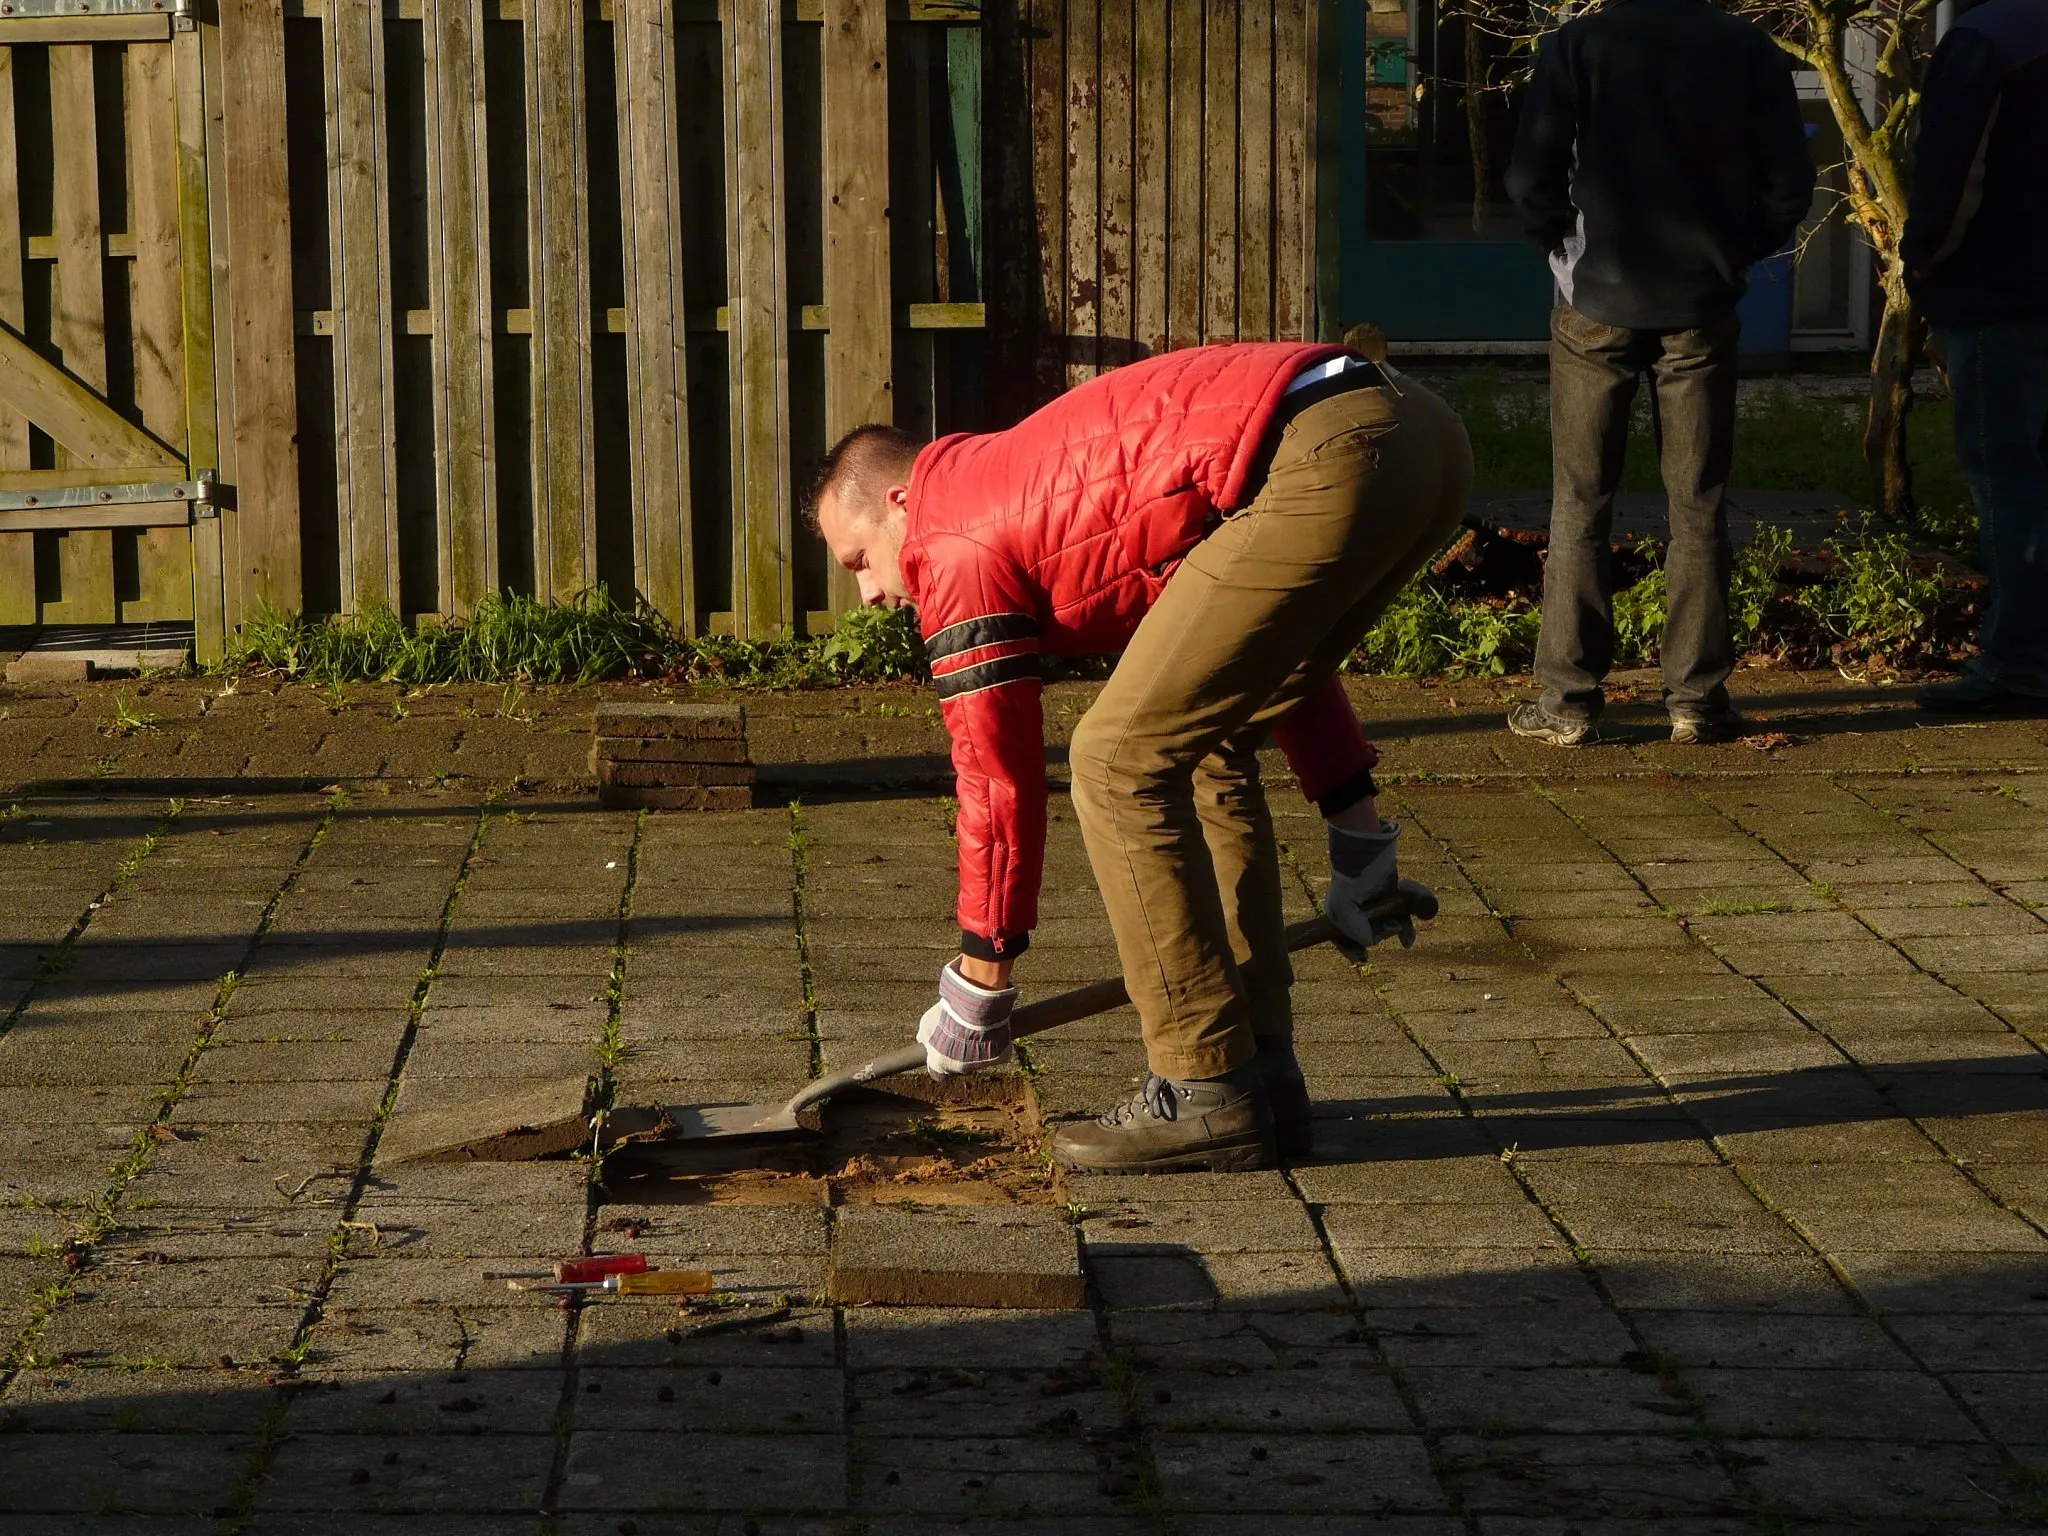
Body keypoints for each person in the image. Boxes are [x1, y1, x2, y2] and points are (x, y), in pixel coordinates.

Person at [807, 344, 1470, 1174]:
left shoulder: (951, 537)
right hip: (1418, 435)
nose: (869, 593)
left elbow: (996, 777)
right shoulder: (1058, 493)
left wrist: (979, 980)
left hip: (1326, 449)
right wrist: (1358, 839)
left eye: (860, 560)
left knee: (1115, 762)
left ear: (901, 503)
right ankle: (1258, 1072)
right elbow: (1276, 663)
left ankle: (1202, 1086)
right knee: (1205, 739)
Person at [1503, 0, 1815, 746]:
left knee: (1580, 498)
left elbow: (1529, 177)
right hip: (1701, 302)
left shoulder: (1579, 44)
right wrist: (1731, 255)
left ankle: (1568, 702)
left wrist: (1561, 253)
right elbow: (1789, 184)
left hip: (1595, 300)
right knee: (1698, 502)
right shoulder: (1748, 48)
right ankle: (1698, 701)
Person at [1904, 0, 2048, 715]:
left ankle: (2020, 662)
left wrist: (1923, 261)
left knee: (2008, 481)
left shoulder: (1985, 41)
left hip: (2002, 292)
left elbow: (1951, 174)